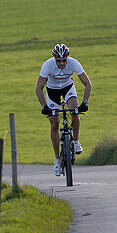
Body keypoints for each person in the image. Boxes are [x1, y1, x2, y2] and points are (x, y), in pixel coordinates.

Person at [35, 43, 92, 176]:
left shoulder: (74, 63)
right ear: (54, 59)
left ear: (68, 58)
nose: (61, 63)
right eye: (59, 61)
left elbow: (88, 83)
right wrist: (44, 106)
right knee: (54, 123)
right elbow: (39, 88)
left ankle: (76, 141)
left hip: (67, 88)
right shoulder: (47, 65)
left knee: (75, 112)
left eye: (64, 60)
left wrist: (85, 102)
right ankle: (57, 160)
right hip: (52, 91)